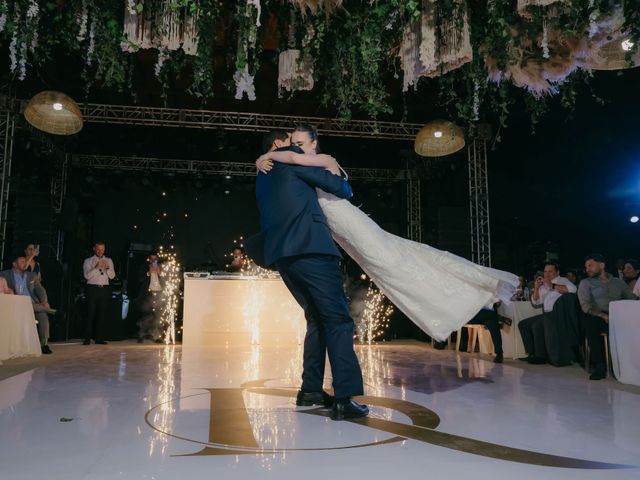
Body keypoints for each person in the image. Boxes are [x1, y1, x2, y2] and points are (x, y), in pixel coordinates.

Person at [254, 124, 519, 344]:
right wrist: (265, 157)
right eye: (294, 142)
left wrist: (266, 156)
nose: (296, 147)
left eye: (301, 142)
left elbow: (302, 164)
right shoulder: (302, 164)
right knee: (392, 266)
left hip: (351, 224)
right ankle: (451, 298)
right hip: (342, 233)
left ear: (314, 144)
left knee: (394, 263)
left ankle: (467, 291)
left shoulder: (320, 160)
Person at [247, 128, 368, 421]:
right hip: (311, 248)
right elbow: (341, 188)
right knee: (338, 320)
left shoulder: (261, 176)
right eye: (291, 143)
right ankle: (343, 399)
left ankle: (311, 390)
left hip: (283, 256)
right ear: (278, 145)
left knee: (316, 319)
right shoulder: (289, 162)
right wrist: (329, 164)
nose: (296, 148)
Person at [578, 253, 635, 380]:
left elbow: (632, 300)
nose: (587, 269)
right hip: (596, 316)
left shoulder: (618, 282)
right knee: (591, 324)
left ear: (602, 265)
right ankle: (600, 366)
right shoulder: (585, 283)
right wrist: (603, 315)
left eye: (590, 265)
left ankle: (632, 364)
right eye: (586, 266)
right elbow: (586, 306)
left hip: (618, 316)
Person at [518, 262, 576, 364]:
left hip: (558, 314)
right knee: (523, 324)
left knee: (537, 325)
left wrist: (552, 285)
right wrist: (536, 287)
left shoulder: (562, 280)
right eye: (545, 271)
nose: (547, 274)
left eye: (550, 271)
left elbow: (573, 290)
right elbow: (536, 301)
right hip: (547, 314)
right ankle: (532, 353)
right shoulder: (543, 285)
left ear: (557, 272)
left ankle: (541, 357)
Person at [0, 255, 56, 353]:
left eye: (25, 261)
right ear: (14, 264)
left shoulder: (31, 275)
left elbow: (40, 289)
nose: (25, 263)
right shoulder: (5, 274)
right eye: (21, 261)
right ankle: (53, 311)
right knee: (41, 309)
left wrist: (45, 301)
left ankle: (44, 344)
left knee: (42, 315)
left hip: (33, 305)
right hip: (16, 305)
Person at [82, 241, 116, 345]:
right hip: (92, 288)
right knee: (90, 313)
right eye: (98, 249)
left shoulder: (109, 260)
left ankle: (99, 338)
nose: (100, 251)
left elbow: (112, 276)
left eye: (102, 249)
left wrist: (108, 268)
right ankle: (87, 338)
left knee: (101, 314)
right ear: (94, 249)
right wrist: (96, 267)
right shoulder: (88, 261)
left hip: (104, 289)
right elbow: (87, 276)